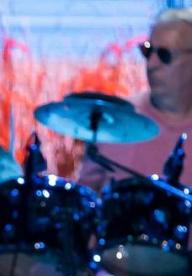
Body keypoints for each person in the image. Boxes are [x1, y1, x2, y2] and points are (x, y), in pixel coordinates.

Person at [78, 7, 192, 190]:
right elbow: (86, 203)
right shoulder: (113, 120)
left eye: (164, 55)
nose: (151, 64)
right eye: (147, 51)